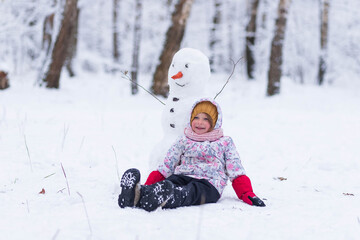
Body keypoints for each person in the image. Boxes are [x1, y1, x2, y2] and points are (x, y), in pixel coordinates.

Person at [118, 98, 265, 212]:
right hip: (182, 176)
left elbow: (236, 170)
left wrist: (247, 193)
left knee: (190, 192)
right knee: (170, 183)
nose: (200, 122)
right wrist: (150, 185)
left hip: (209, 184)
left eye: (206, 119)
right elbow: (167, 165)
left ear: (215, 122)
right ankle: (137, 194)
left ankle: (164, 198)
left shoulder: (224, 142)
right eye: (196, 117)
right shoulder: (184, 139)